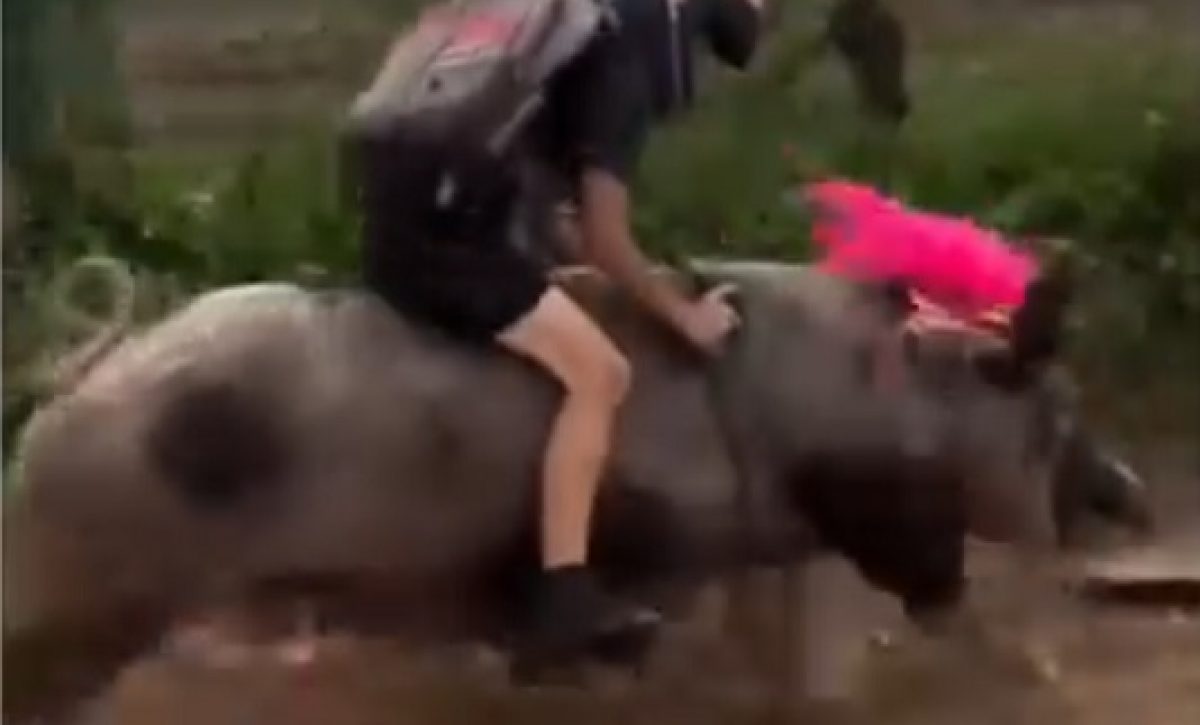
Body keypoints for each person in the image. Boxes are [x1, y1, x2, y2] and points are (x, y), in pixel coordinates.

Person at [352, 0, 769, 663]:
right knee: (600, 375)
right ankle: (561, 595)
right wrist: (684, 315)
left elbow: (549, 209)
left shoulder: (566, 29)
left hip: (400, 212)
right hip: (453, 241)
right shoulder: (624, 65)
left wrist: (615, 273)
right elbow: (606, 234)